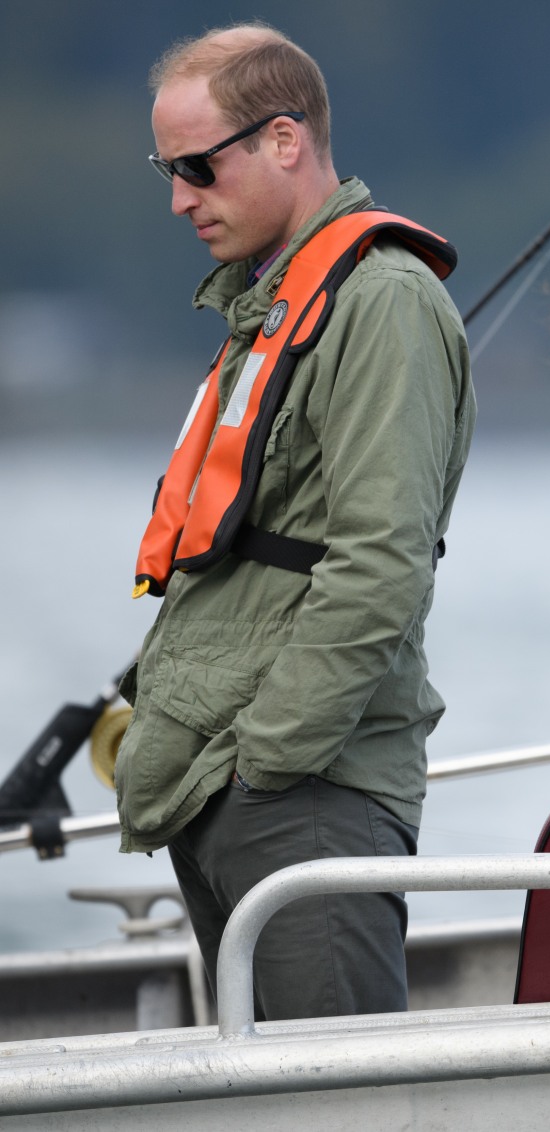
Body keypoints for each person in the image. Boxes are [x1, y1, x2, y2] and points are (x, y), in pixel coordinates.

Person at [113, 22, 476, 1021]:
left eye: (197, 167)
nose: (181, 198)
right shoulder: (271, 305)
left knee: (341, 1095)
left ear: (283, 140)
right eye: (168, 171)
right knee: (266, 1091)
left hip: (302, 796)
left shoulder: (383, 301)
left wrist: (265, 763)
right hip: (228, 792)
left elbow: (381, 562)